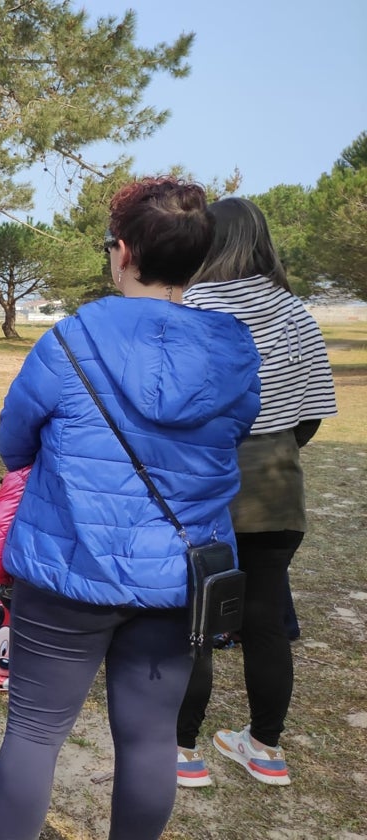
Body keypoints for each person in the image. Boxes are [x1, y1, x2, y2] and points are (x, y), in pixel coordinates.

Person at [0, 177, 261, 840]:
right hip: (176, 576)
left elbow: (14, 443)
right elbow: (238, 433)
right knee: (150, 739)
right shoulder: (234, 349)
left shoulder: (72, 340)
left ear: (123, 251)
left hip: (68, 565)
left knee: (34, 733)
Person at [175, 197, 338, 788]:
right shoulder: (296, 312)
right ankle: (265, 747)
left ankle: (182, 749)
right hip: (276, 480)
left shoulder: (193, 305)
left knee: (197, 617)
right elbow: (313, 414)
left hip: (206, 479)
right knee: (266, 618)